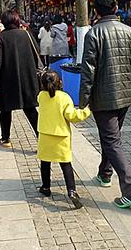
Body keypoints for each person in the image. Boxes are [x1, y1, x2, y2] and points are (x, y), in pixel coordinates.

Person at [79, 0, 131, 209]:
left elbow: (88, 70)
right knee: (111, 137)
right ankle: (105, 173)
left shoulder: (93, 34)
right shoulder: (130, 31)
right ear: (116, 9)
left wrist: (82, 100)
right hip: (125, 95)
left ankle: (130, 190)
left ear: (96, 11)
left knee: (111, 140)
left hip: (103, 97)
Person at [37, 70, 91, 208]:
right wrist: (87, 110)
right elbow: (72, 116)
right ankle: (72, 191)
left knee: (45, 162)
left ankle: (46, 187)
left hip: (45, 135)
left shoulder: (41, 96)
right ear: (60, 82)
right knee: (66, 165)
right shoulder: (65, 98)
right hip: (61, 137)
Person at [0, 10, 39, 148]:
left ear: (3, 22)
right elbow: (37, 53)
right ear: (17, 21)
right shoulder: (26, 35)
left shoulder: (1, 38)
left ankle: (6, 139)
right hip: (27, 78)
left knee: (5, 110)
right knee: (31, 109)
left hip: (7, 80)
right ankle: (42, 138)